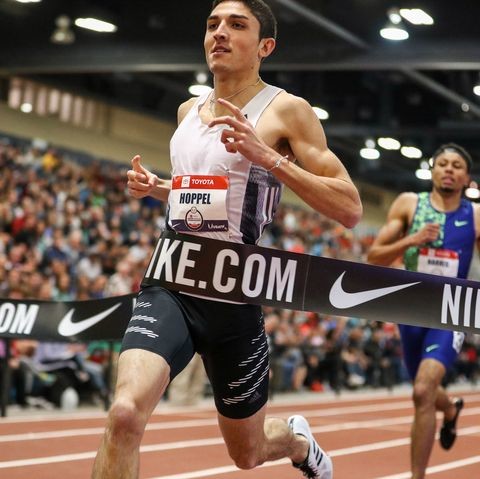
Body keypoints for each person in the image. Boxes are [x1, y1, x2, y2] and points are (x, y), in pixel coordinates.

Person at [92, 1, 361, 478]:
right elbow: (208, 195)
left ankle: (296, 441)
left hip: (234, 294)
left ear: (265, 46)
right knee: (125, 414)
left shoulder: (286, 110)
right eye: (212, 24)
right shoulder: (188, 110)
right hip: (172, 280)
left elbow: (350, 208)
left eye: (237, 25)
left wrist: (267, 156)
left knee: (247, 454)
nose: (220, 33)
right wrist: (161, 188)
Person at [367, 143, 477, 479]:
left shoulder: (475, 214)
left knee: (422, 390)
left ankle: (418, 476)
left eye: (456, 165)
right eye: (442, 163)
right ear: (432, 171)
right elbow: (374, 256)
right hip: (411, 309)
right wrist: (410, 240)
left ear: (466, 178)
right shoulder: (409, 204)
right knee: (424, 389)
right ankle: (451, 408)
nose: (448, 169)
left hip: (450, 311)